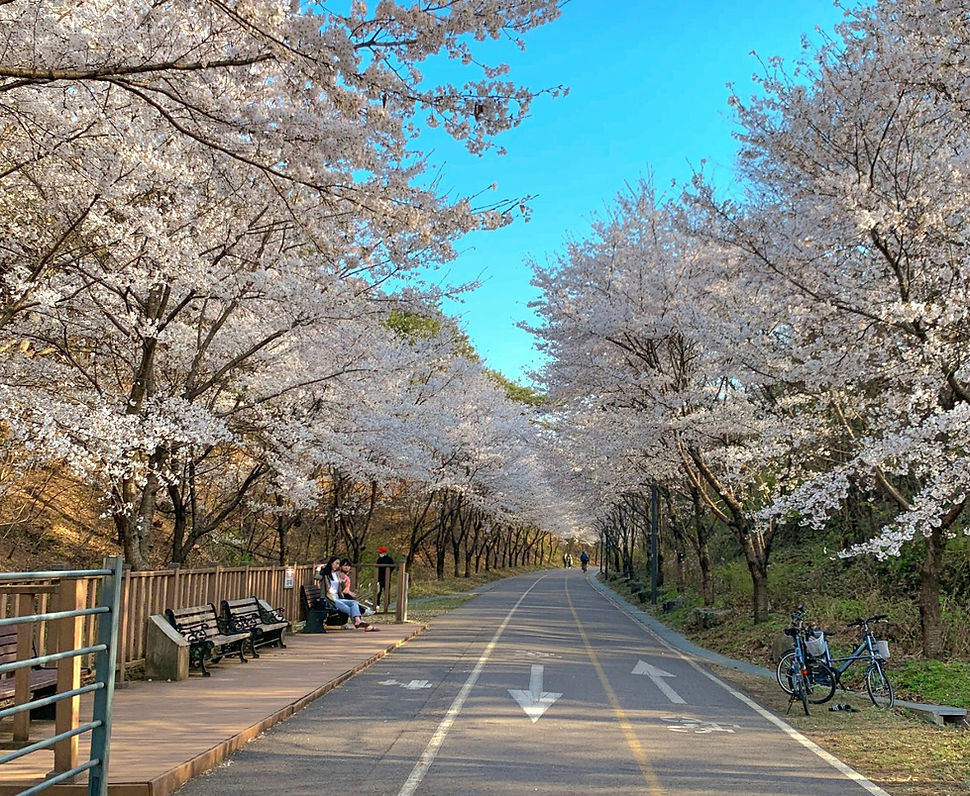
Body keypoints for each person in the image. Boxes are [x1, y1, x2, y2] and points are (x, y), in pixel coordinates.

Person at [320, 556, 378, 631]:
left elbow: (341, 588)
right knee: (347, 608)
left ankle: (358, 621)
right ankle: (358, 622)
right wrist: (319, 568)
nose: (338, 565)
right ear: (331, 563)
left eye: (339, 564)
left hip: (337, 597)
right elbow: (317, 577)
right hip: (329, 598)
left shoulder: (337, 574)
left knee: (354, 602)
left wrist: (343, 581)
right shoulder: (325, 574)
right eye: (336, 563)